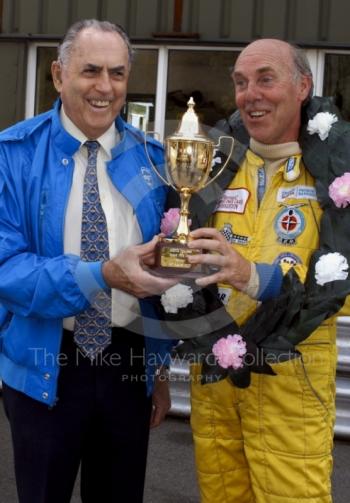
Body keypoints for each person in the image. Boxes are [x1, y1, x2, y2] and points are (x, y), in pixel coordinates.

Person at [0, 19, 177, 503]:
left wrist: (156, 375)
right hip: (46, 357)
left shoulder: (155, 161)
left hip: (127, 361)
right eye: (91, 71)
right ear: (59, 75)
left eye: (117, 74)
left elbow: (164, 272)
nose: (105, 87)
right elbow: (6, 269)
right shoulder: (11, 155)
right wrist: (98, 275)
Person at [181, 39, 346, 502]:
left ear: (303, 86)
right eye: (240, 82)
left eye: (266, 79)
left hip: (291, 383)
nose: (250, 93)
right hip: (214, 379)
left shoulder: (336, 170)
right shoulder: (214, 166)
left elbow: (343, 279)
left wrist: (258, 278)